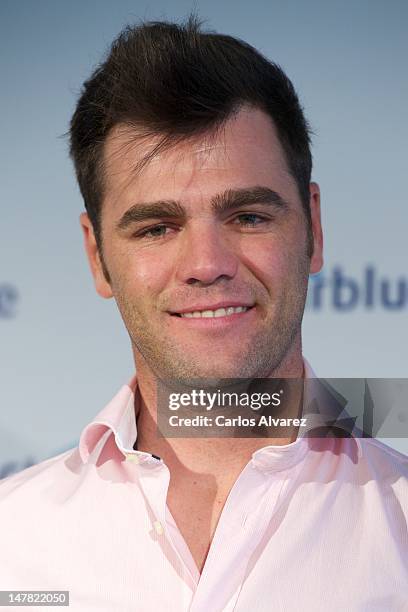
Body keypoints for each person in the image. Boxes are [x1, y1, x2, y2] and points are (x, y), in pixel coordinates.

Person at [0, 16, 407, 612]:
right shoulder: (12, 539)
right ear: (97, 256)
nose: (207, 264)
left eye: (247, 216)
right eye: (157, 228)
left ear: (313, 229)